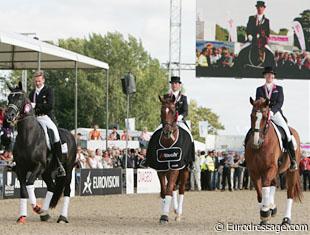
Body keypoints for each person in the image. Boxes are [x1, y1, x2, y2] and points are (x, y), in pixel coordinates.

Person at [255, 66, 297, 170]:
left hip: (276, 113)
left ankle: (293, 160)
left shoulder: (278, 89)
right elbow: (257, 102)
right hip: (263, 113)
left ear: (273, 76)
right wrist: (264, 111)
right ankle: (248, 155)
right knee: (254, 129)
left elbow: (280, 102)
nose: (269, 76)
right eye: (267, 74)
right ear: (265, 76)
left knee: (287, 133)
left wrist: (272, 111)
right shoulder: (259, 89)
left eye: (271, 75)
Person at [29, 70, 66, 177]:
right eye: (36, 81)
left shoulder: (48, 90)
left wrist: (36, 105)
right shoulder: (32, 93)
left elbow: (50, 105)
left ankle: (59, 164)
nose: (37, 83)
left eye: (39, 81)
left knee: (55, 135)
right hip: (35, 118)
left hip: (46, 118)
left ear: (43, 80)